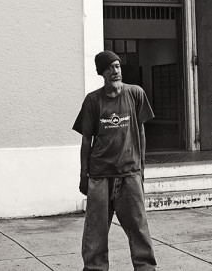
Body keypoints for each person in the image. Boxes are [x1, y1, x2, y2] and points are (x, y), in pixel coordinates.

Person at [73, 50, 157, 271]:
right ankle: (94, 268)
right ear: (102, 73)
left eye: (118, 66)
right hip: (100, 176)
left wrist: (141, 168)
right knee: (95, 232)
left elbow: (141, 132)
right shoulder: (93, 100)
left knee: (139, 228)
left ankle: (146, 268)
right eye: (110, 68)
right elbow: (86, 141)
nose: (115, 71)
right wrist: (84, 175)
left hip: (129, 173)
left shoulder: (135, 94)